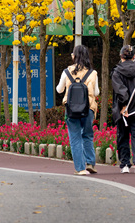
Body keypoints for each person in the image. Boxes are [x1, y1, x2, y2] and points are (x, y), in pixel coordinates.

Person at [56, 44, 99, 175]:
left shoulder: (66, 72)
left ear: (74, 57)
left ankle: (80, 168)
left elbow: (59, 89)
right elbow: (96, 92)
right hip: (88, 109)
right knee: (87, 135)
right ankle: (90, 162)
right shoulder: (93, 73)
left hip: (71, 110)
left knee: (75, 137)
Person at [111, 45, 135, 174]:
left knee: (123, 136)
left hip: (123, 110)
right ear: (134, 57)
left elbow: (121, 91)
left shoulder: (117, 72)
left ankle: (125, 164)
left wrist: (124, 105)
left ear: (121, 57)